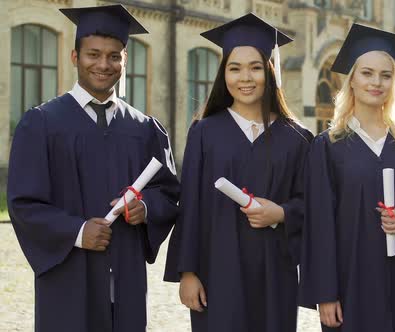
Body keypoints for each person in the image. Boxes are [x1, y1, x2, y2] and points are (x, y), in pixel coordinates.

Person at [7, 5, 180, 332]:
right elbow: (23, 204)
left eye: (114, 56)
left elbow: (170, 194)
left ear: (125, 60)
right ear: (75, 57)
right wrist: (76, 231)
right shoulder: (42, 124)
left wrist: (145, 208)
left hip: (127, 277)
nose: (103, 64)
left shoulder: (145, 129)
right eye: (93, 54)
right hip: (68, 278)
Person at [163, 13, 312, 332]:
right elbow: (190, 208)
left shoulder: (297, 137)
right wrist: (187, 273)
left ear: (270, 72)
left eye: (255, 67)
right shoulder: (204, 132)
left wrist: (282, 213)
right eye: (235, 68)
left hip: (275, 273)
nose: (245, 78)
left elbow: (312, 204)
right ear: (224, 74)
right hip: (217, 273)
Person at [298, 23, 395, 332]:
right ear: (351, 80)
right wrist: (326, 294)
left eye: (385, 75)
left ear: (394, 81)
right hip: (350, 285)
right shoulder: (327, 146)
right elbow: (319, 226)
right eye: (367, 73)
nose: (376, 82)